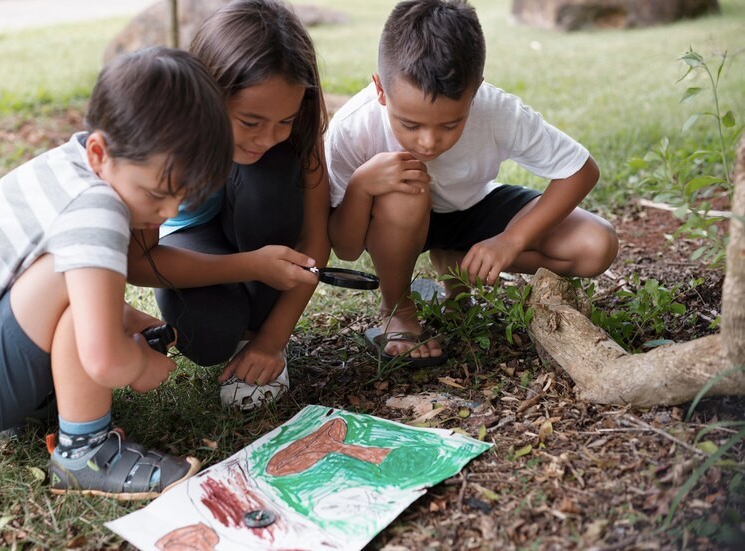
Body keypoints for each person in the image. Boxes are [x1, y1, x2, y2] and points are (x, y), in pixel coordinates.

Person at [0, 47, 234, 499]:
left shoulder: (76, 166)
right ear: (99, 151)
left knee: (77, 282)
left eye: (183, 197)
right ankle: (84, 455)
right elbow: (104, 357)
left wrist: (124, 319)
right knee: (74, 284)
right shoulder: (95, 208)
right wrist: (140, 364)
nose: (166, 212)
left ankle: (56, 408)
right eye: (157, 193)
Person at [325, 0, 618, 367]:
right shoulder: (353, 127)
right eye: (411, 125)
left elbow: (581, 170)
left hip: (471, 208)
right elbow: (347, 248)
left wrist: (512, 240)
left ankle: (458, 261)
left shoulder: (497, 110)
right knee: (407, 186)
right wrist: (362, 186)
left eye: (450, 125)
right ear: (381, 89)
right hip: (393, 221)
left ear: (475, 90)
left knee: (595, 245)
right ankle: (397, 306)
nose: (429, 142)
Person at [127, 0, 330, 410]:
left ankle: (256, 337)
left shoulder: (298, 128)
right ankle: (236, 332)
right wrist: (251, 265)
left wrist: (273, 342)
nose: (266, 137)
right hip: (191, 237)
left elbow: (314, 238)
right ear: (209, 93)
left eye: (284, 121)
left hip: (258, 217)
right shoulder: (166, 137)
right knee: (208, 335)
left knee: (269, 179)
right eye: (250, 122)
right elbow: (140, 262)